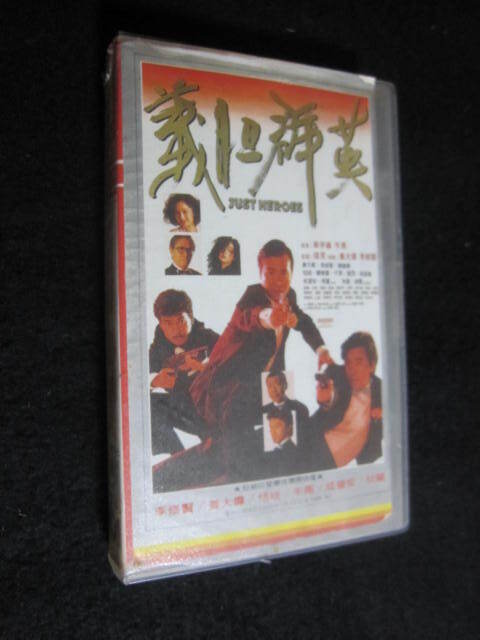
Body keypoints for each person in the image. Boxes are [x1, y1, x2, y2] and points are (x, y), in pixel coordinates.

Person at [190, 239, 331, 479]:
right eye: (270, 273)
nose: (278, 280)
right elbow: (251, 317)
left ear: (292, 272)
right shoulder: (252, 295)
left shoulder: (290, 297)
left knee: (295, 416)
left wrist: (321, 350)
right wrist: (270, 317)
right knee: (235, 431)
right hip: (233, 382)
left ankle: (279, 467)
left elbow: (304, 322)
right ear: (260, 273)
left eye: (284, 272)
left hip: (270, 381)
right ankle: (229, 471)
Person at [149, 289, 218, 455]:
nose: (176, 329)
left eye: (181, 320)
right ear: (160, 324)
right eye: (168, 323)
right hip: (186, 411)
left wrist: (204, 369)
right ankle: (175, 456)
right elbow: (135, 377)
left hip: (214, 410)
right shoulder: (159, 345)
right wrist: (154, 381)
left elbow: (236, 368)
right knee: (149, 404)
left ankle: (213, 442)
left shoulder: (209, 338)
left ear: (191, 317)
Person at [309, 331, 383, 469]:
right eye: (348, 363)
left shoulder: (383, 391)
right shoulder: (338, 376)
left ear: (372, 365)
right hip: (313, 445)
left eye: (358, 362)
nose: (352, 369)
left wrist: (384, 416)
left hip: (335, 467)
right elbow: (331, 392)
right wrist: (326, 401)